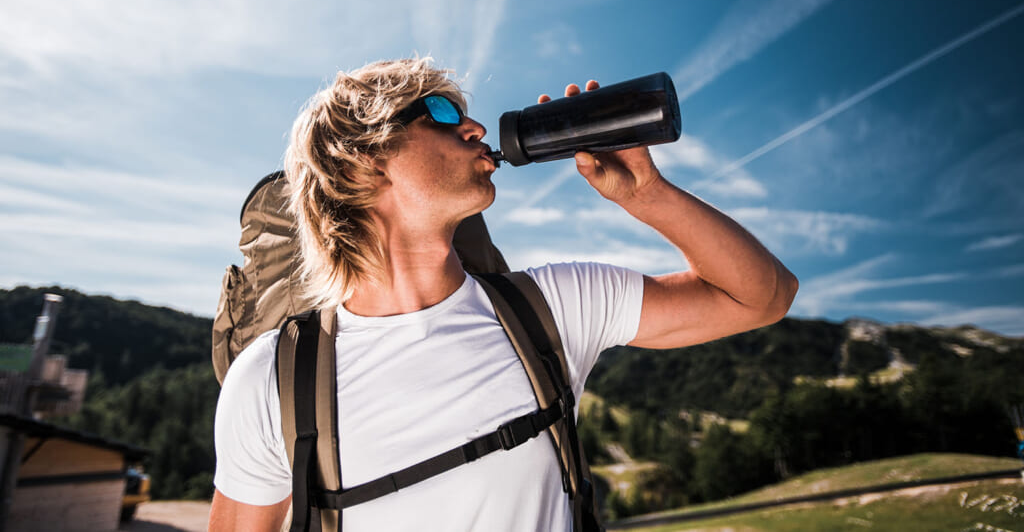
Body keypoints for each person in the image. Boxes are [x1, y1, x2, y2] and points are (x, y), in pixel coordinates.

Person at [208, 58, 798, 531]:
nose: (475, 129)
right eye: (438, 112)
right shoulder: (274, 380)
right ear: (362, 161)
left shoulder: (553, 308)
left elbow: (763, 297)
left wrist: (648, 195)